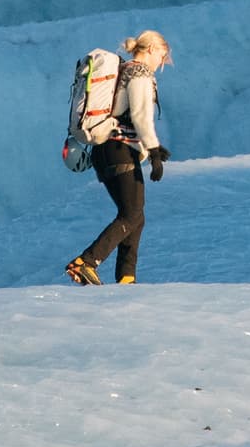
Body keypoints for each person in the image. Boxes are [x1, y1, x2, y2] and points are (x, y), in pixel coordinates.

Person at [64, 29, 171, 287]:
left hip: (107, 151)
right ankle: (86, 263)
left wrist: (154, 149)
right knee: (132, 215)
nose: (162, 63)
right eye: (163, 56)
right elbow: (141, 115)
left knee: (135, 215)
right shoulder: (139, 73)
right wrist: (154, 150)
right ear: (152, 49)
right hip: (119, 149)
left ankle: (126, 278)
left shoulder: (125, 71)